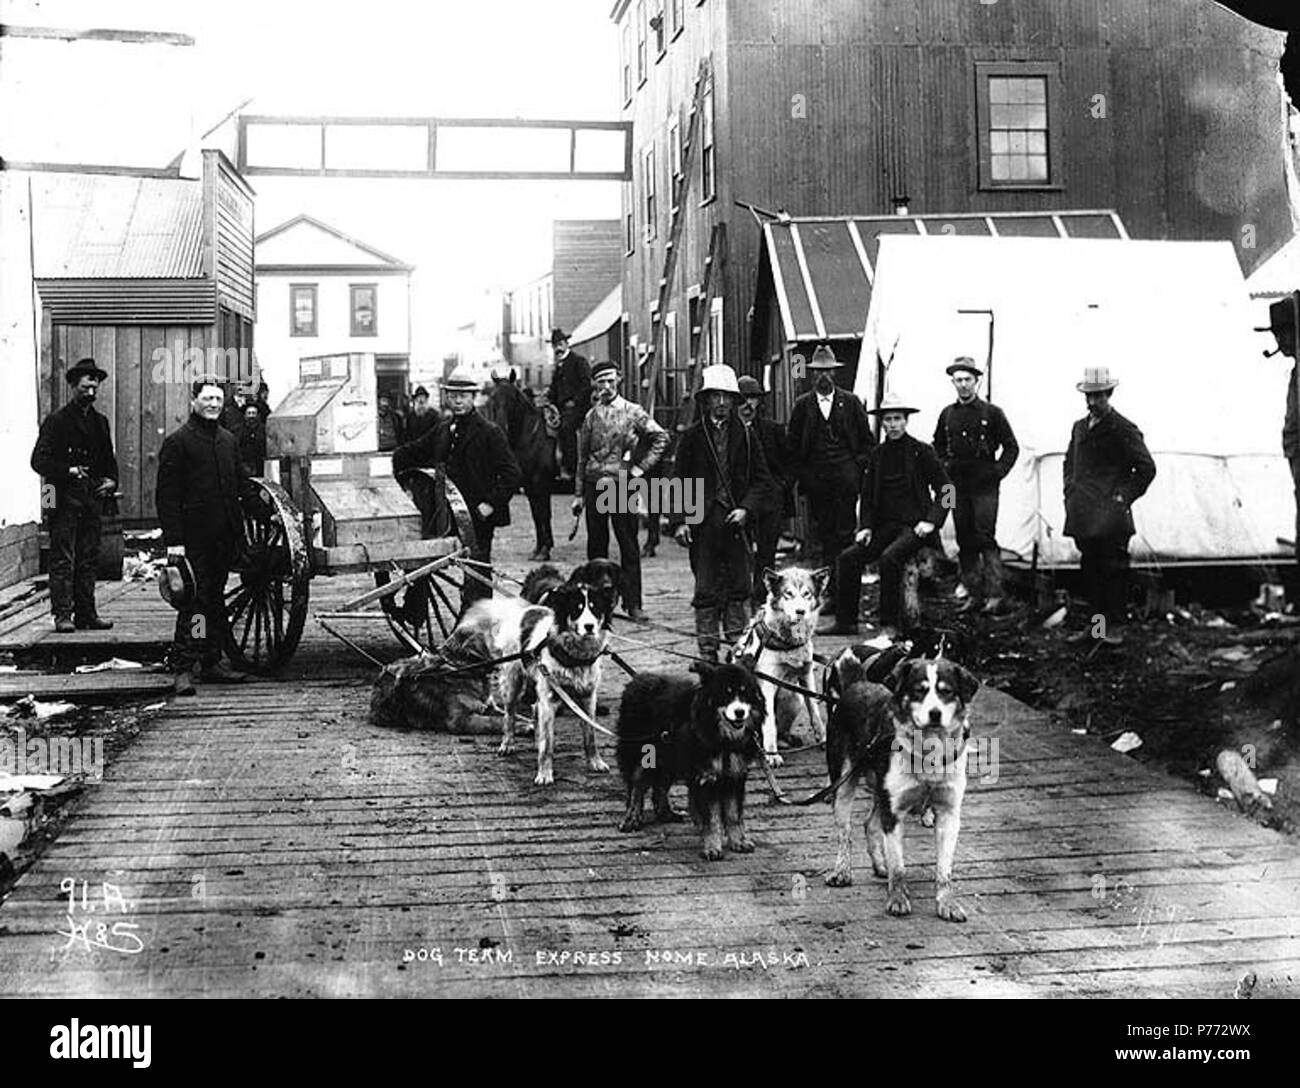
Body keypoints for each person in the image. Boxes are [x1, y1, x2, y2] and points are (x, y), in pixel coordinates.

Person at [156, 376, 258, 694]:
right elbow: (167, 497)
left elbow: (241, 484)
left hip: (223, 538)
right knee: (193, 603)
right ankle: (184, 666)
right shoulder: (178, 442)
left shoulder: (228, 440)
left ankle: (211, 661)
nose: (213, 404)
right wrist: (174, 542)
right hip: (193, 540)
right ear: (194, 402)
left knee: (214, 600)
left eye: (218, 399)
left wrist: (264, 509)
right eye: (207, 399)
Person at [393, 367, 522, 613]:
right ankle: (414, 610)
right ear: (447, 398)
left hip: (477, 515)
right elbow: (414, 451)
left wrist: (490, 504)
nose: (458, 400)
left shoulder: (490, 432)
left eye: (464, 396)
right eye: (453, 395)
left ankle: (478, 626)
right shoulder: (443, 429)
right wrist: (385, 461)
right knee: (424, 558)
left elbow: (512, 474)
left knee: (477, 571)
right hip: (444, 514)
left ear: (473, 398)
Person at [670, 365, 774, 665]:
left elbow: (762, 481)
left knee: (739, 588)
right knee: (705, 589)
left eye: (726, 397)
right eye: (714, 396)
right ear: (705, 400)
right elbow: (679, 480)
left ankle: (737, 652)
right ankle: (707, 655)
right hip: (702, 524)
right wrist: (679, 521)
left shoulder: (747, 436)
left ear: (733, 400)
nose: (720, 403)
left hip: (736, 525)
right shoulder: (691, 437)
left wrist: (747, 509)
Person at [824, 393, 951, 638]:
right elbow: (868, 495)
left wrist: (932, 521)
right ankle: (846, 621)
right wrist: (866, 527)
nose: (892, 424)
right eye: (888, 420)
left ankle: (889, 625)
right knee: (848, 558)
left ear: (906, 421)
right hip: (885, 528)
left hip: (914, 528)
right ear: (882, 423)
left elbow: (948, 489)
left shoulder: (921, 451)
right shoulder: (878, 455)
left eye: (897, 419)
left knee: (889, 559)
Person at [1062, 367, 1156, 647]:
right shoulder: (1079, 426)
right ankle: (1096, 629)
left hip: (1111, 517)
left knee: (1113, 573)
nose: (1092, 402)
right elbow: (1070, 462)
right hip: (1083, 515)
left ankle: (1112, 629)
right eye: (1089, 396)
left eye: (1098, 396)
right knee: (1091, 574)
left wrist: (1121, 498)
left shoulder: (1122, 428)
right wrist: (1069, 490)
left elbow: (1146, 468)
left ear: (1109, 394)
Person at [573, 360, 668, 623]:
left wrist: (640, 469)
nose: (606, 386)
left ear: (619, 380)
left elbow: (661, 438)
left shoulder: (632, 411)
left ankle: (633, 603)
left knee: (628, 546)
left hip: (621, 485)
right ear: (594, 384)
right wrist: (579, 495)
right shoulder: (591, 417)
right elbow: (581, 459)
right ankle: (596, 605)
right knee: (597, 547)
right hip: (594, 485)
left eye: (610, 381)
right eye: (600, 381)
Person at [30, 357, 119, 633]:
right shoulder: (57, 421)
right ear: (72, 386)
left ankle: (87, 614)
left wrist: (111, 481)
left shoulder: (100, 422)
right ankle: (63, 615)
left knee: (89, 558)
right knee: (63, 559)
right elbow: (38, 462)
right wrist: (68, 470)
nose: (91, 393)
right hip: (63, 500)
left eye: (95, 388)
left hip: (91, 500)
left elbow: (108, 460)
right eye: (85, 388)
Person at [786, 344, 875, 610]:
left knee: (846, 540)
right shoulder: (803, 405)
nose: (823, 377)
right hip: (817, 487)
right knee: (822, 541)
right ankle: (823, 598)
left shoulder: (850, 402)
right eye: (818, 373)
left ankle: (845, 598)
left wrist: (854, 468)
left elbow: (867, 443)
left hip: (846, 486)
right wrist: (806, 475)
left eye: (828, 372)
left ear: (835, 374)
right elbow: (793, 447)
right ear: (812, 376)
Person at [933, 356, 1019, 614]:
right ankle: (972, 593)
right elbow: (936, 446)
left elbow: (1011, 447)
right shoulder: (947, 414)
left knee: (985, 536)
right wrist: (944, 467)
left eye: (967, 380)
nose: (963, 385)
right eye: (958, 380)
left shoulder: (992, 413)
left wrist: (997, 472)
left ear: (976, 381)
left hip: (985, 486)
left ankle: (995, 595)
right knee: (965, 538)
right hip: (957, 487)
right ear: (953, 383)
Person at [737, 375, 792, 605]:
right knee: (738, 551)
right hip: (740, 502)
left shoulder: (774, 430)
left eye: (753, 399)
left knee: (766, 553)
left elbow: (791, 464)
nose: (747, 405)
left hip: (770, 503)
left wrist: (780, 487)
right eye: (742, 399)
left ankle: (761, 598)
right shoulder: (729, 435)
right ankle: (738, 596)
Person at [549, 329, 592, 480]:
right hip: (561, 408)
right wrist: (549, 402)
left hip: (578, 408)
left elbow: (586, 384)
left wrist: (575, 401)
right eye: (555, 346)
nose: (558, 348)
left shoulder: (578, 361)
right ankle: (553, 467)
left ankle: (572, 469)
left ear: (567, 344)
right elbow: (554, 389)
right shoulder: (558, 365)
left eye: (560, 344)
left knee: (566, 428)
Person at [236, 401, 267, 478]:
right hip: (243, 468)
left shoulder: (264, 430)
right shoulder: (237, 431)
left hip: (261, 467)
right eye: (249, 413)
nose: (251, 416)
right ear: (245, 415)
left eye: (253, 413)